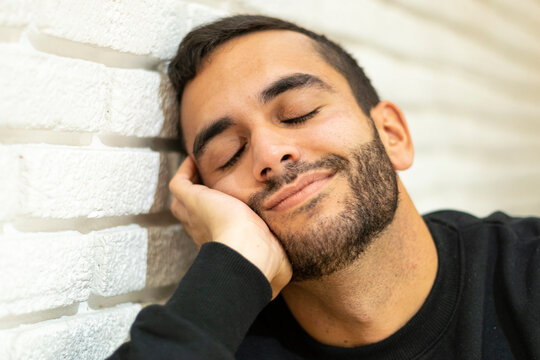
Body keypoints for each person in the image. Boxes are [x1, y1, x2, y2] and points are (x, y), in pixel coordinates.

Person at [109, 15, 540, 359]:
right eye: (228, 154)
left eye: (298, 113)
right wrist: (229, 267)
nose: (269, 153)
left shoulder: (527, 274)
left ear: (391, 135)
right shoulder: (213, 341)